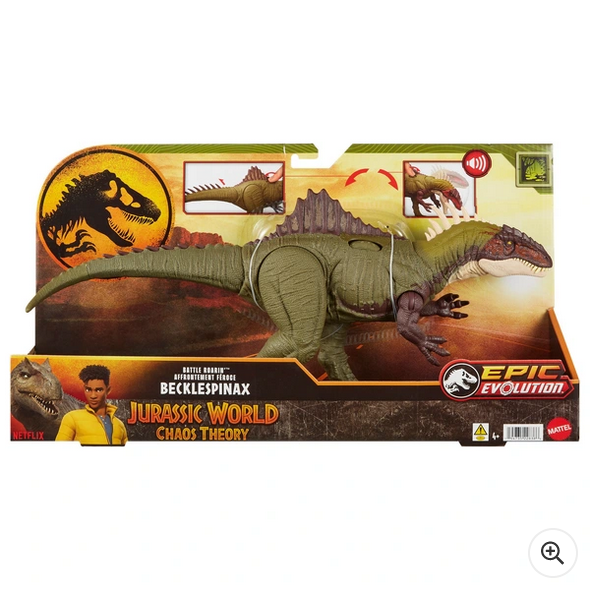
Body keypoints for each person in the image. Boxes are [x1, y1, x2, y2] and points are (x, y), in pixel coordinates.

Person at [56, 365, 127, 445]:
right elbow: (59, 450)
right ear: (84, 389)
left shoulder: (119, 425)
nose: (93, 396)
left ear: (108, 390)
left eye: (98, 390)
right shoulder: (72, 418)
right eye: (88, 389)